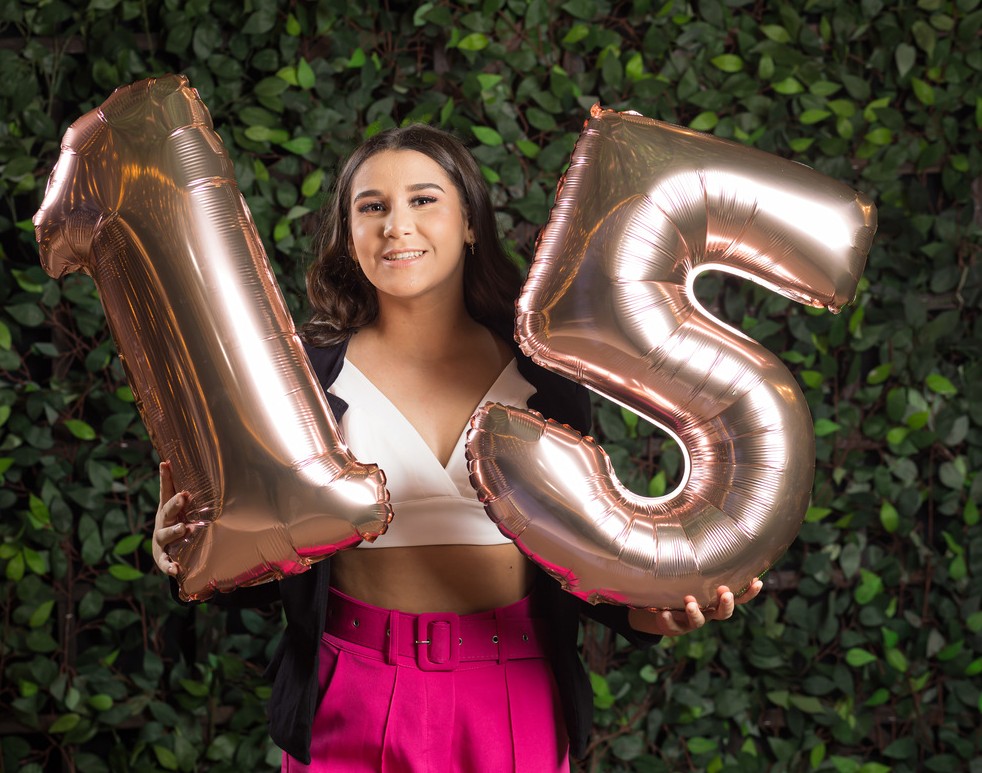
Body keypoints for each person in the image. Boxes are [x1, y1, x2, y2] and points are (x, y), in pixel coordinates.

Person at [151, 124, 761, 771]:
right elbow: (268, 565)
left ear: (470, 223)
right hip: (349, 687)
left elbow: (586, 564)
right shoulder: (300, 381)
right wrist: (189, 549)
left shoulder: (546, 380)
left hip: (512, 688)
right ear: (349, 235)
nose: (396, 226)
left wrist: (659, 619)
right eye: (372, 207)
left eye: (423, 200)